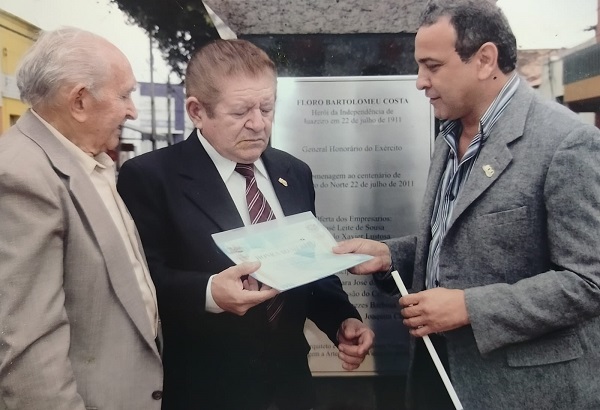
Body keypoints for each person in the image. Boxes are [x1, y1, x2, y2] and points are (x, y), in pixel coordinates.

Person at [334, 0, 600, 409]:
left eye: (433, 66)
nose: (420, 82)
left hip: (520, 393)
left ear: (484, 60)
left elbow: (588, 281)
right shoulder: (449, 136)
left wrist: (469, 308)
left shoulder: (566, 142)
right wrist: (390, 256)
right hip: (436, 374)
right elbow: (456, 241)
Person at [117, 39, 374, 410]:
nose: (258, 124)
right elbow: (139, 282)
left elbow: (308, 263)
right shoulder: (150, 177)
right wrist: (209, 292)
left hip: (290, 391)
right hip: (204, 393)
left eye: (267, 108)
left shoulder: (293, 172)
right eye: (240, 112)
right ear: (197, 111)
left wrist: (342, 320)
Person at [0, 28, 164, 409]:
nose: (133, 111)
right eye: (124, 95)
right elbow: (28, 350)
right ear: (79, 101)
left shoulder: (84, 159)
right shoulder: (21, 176)